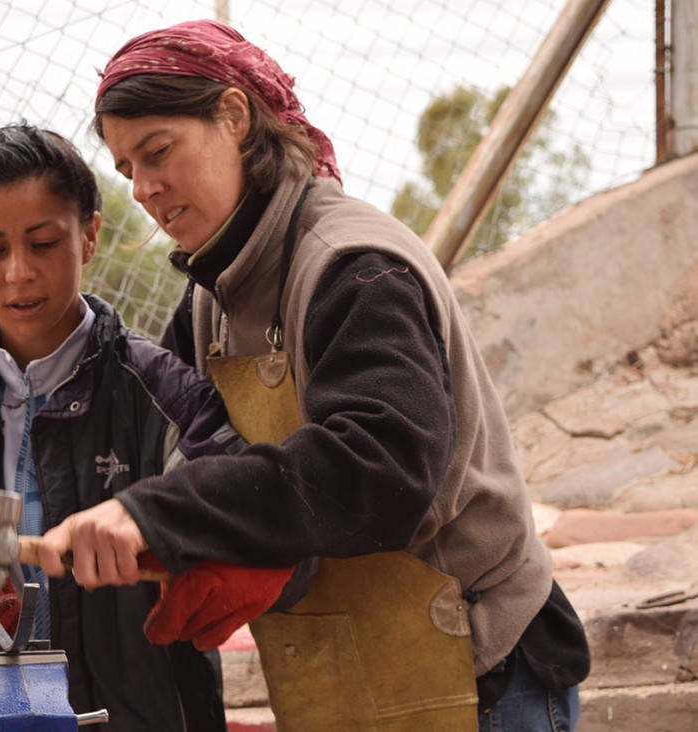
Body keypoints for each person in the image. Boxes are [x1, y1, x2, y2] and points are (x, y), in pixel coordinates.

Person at [35, 19, 591, 731]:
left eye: (158, 152)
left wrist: (160, 514)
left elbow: (379, 468)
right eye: (126, 170)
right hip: (353, 668)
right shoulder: (211, 294)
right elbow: (162, 450)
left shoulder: (353, 267)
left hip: (481, 670)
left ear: (233, 116)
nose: (143, 188)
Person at [0, 123, 259, 732]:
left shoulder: (160, 391)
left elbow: (246, 522)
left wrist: (173, 549)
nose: (18, 273)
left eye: (43, 242)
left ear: (90, 235)